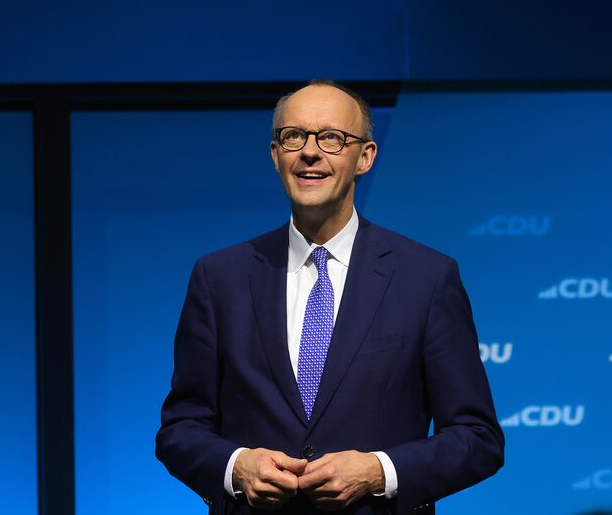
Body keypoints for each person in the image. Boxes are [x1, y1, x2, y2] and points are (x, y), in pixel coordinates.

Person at [155, 79, 504, 514]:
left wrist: (379, 471)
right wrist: (236, 466)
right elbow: (181, 429)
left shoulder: (427, 278)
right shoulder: (219, 277)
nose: (310, 152)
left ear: (365, 157)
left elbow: (477, 437)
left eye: (332, 138)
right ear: (275, 155)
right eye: (293, 136)